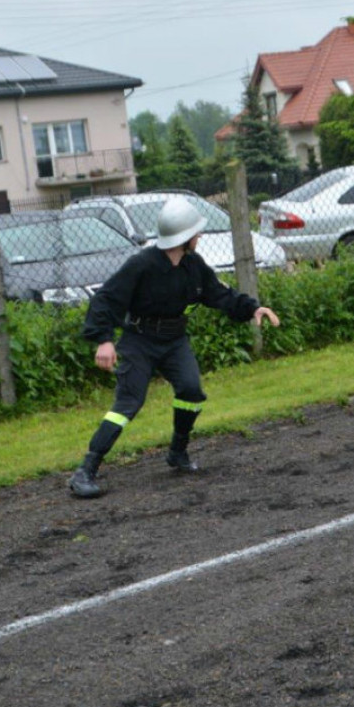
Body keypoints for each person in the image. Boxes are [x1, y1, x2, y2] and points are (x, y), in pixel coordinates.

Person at [69, 196, 280, 498]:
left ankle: (177, 453)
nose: (200, 236)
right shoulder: (141, 264)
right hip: (139, 341)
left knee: (191, 391)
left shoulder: (193, 265)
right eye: (196, 232)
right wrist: (104, 340)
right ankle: (85, 471)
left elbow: (219, 294)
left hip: (174, 341)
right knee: (129, 403)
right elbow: (106, 300)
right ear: (184, 236)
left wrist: (252, 309)